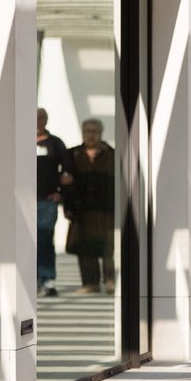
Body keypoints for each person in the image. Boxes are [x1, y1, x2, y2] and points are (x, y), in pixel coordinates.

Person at [65, 118, 116, 295]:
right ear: (82, 133)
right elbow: (65, 180)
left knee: (108, 248)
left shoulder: (113, 155)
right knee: (84, 248)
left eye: (95, 131)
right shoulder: (73, 155)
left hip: (107, 210)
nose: (91, 134)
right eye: (87, 131)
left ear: (101, 133)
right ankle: (90, 283)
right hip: (82, 210)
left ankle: (110, 281)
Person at [36, 108, 73, 297]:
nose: (38, 120)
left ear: (46, 120)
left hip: (47, 201)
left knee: (44, 239)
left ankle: (47, 279)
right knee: (26, 241)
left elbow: (67, 170)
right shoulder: (20, 139)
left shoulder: (55, 143)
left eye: (41, 117)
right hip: (24, 201)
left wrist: (60, 193)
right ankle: (31, 279)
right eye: (35, 117)